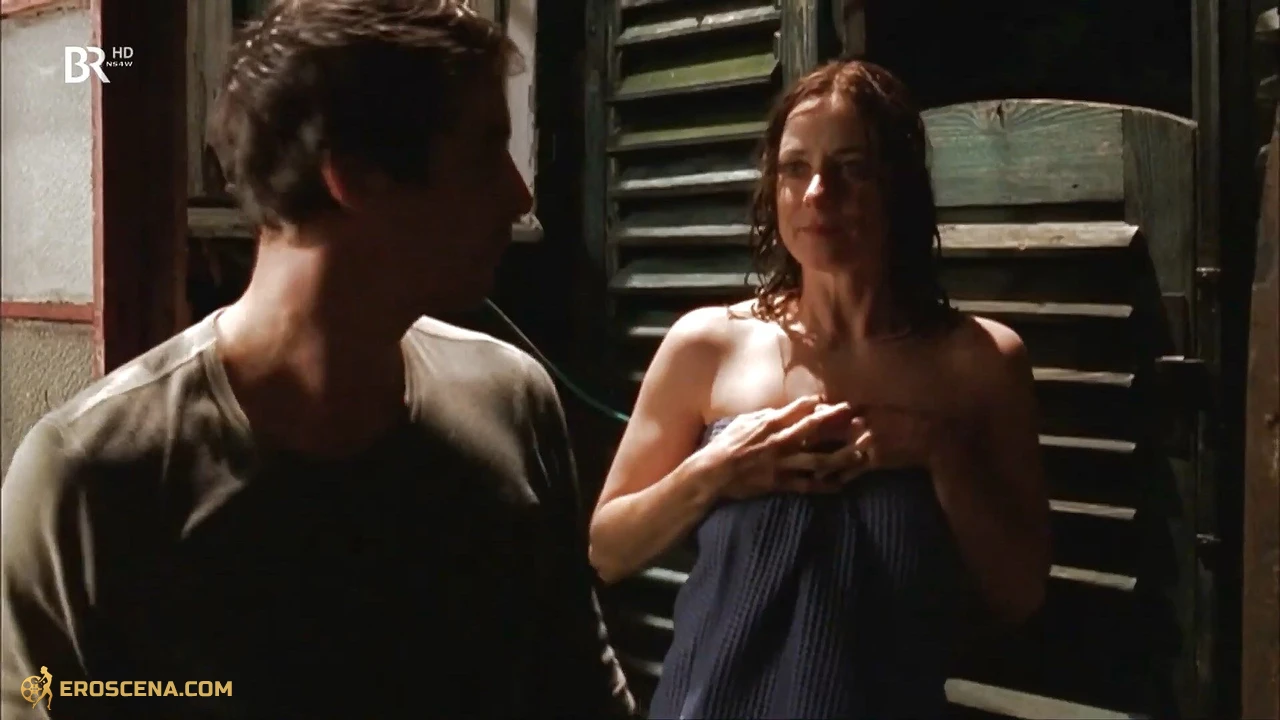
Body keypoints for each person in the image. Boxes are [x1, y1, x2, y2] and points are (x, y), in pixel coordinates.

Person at [1, 2, 635, 718]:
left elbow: (581, 690)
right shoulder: (93, 474)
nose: (518, 196)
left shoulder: (512, 401)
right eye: (486, 151)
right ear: (354, 176)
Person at [588, 59, 1051, 719]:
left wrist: (942, 455)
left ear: (898, 185)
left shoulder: (980, 363)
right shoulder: (707, 346)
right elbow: (607, 550)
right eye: (794, 168)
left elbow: (1019, 595)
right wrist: (716, 472)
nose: (816, 193)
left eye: (850, 168)